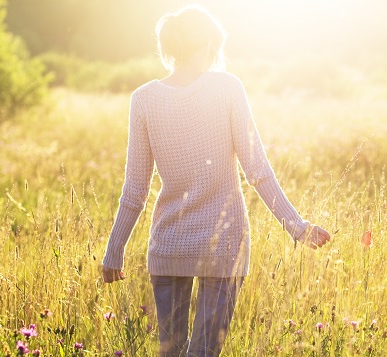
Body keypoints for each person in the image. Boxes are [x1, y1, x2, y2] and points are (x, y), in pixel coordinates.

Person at [100, 5, 331, 356]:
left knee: (171, 352)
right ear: (210, 41)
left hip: (168, 245)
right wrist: (296, 226)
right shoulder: (227, 88)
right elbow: (258, 170)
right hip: (224, 245)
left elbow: (135, 190)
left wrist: (114, 249)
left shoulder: (144, 99)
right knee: (204, 352)